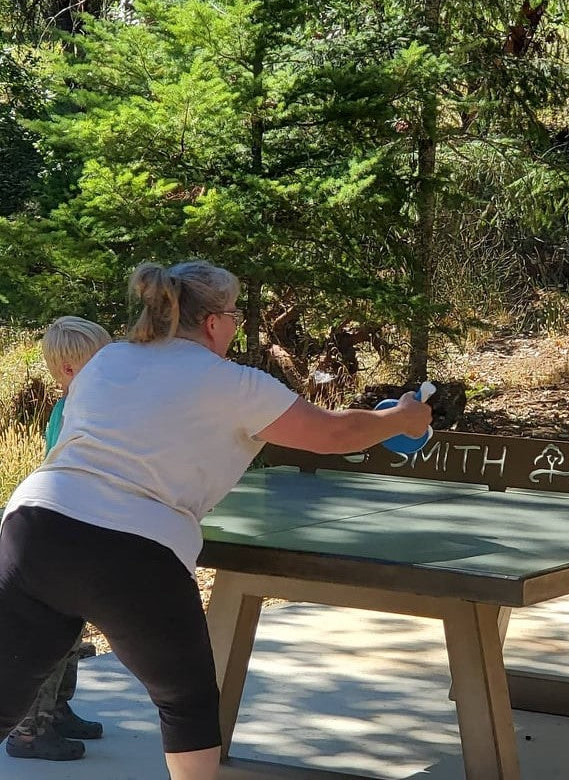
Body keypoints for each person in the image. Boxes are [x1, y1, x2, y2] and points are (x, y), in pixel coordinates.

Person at [0, 261, 432, 780]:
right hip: (130, 549)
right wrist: (402, 419)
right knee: (186, 703)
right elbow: (334, 434)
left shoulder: (109, 359)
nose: (235, 327)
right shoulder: (236, 384)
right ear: (213, 323)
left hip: (32, 526)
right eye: (233, 317)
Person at [5, 316, 111, 762]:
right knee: (49, 635)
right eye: (99, 364)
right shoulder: (74, 412)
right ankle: (29, 731)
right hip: (59, 530)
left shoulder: (86, 406)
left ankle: (58, 709)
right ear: (69, 371)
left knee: (71, 631)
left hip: (77, 529)